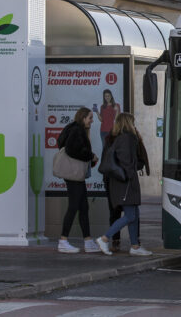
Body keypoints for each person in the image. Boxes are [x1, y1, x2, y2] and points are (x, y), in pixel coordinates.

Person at [95, 113, 152, 256]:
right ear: (128, 123)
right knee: (130, 216)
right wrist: (131, 174)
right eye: (133, 122)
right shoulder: (127, 138)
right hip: (126, 183)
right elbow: (127, 162)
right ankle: (104, 238)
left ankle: (135, 246)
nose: (134, 125)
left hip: (121, 182)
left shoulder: (118, 138)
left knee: (133, 214)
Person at [56, 107, 100, 254]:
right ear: (83, 118)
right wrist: (90, 156)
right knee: (74, 206)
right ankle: (63, 240)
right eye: (90, 118)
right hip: (74, 176)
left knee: (83, 207)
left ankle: (88, 241)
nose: (92, 121)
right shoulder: (77, 130)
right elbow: (72, 149)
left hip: (75, 176)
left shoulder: (73, 128)